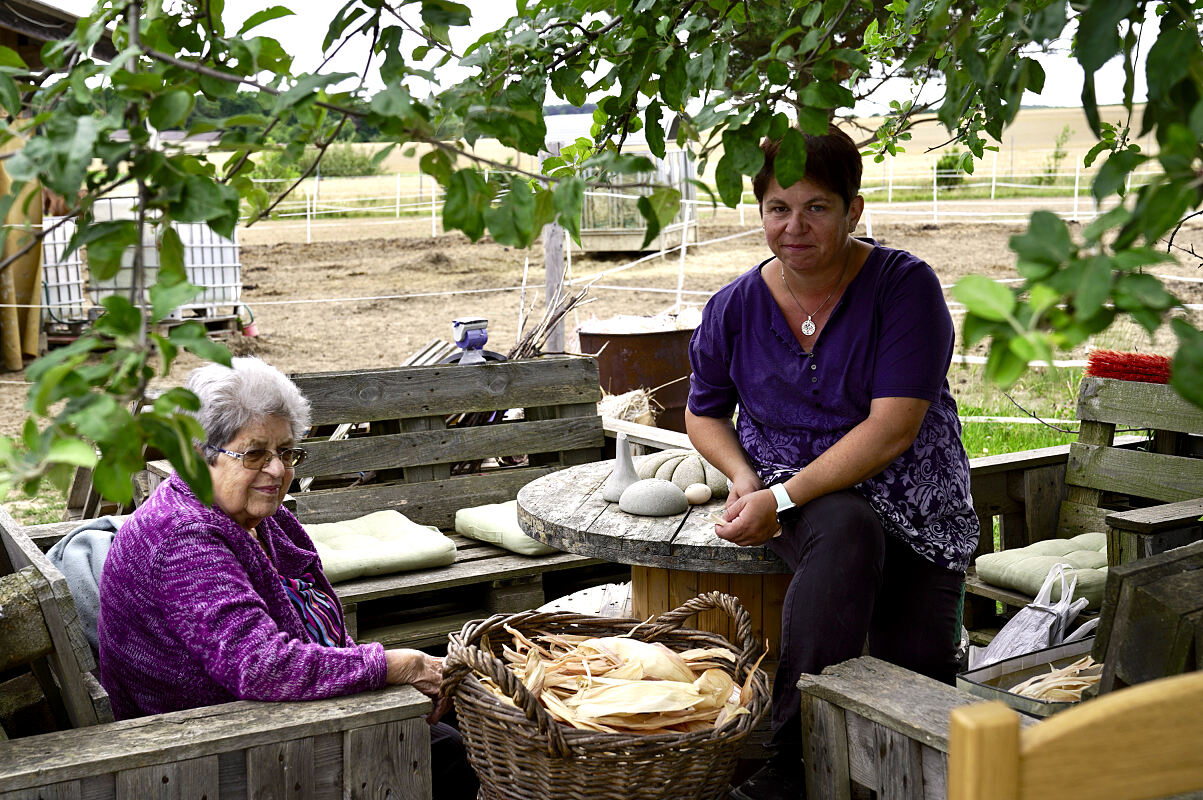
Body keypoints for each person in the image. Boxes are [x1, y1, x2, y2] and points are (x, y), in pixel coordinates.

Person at [686, 127, 979, 800]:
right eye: (777, 207)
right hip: (809, 499)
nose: (794, 226)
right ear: (758, 212)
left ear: (853, 211)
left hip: (913, 503)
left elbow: (890, 428)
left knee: (916, 691)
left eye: (816, 207)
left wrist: (778, 500)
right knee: (845, 528)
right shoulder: (733, 308)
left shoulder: (902, 288)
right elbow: (703, 413)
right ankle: (789, 762)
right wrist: (743, 478)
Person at [97, 357, 478, 800]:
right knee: (447, 750)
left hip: (267, 718)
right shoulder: (185, 539)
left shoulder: (255, 515)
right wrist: (394, 665)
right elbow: (262, 667)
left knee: (458, 712)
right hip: (209, 753)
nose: (277, 470)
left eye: (286, 452)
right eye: (255, 453)